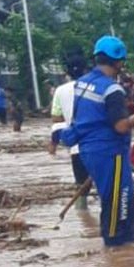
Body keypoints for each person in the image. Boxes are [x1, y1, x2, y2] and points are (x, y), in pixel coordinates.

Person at [56, 36, 134, 247]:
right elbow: (121, 126)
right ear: (118, 61)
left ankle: (119, 247)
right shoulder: (112, 89)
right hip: (110, 151)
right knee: (120, 200)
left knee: (111, 197)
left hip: (88, 150)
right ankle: (117, 249)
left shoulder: (82, 83)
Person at [50, 57, 91, 207]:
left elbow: (56, 117)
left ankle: (83, 219)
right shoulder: (95, 86)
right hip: (100, 146)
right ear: (86, 70)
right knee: (108, 186)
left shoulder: (60, 91)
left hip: (76, 148)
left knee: (81, 186)